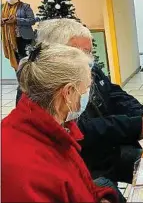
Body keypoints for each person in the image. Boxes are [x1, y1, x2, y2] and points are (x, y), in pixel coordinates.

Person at [16, 19, 143, 203]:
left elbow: (114, 93)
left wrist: (142, 114)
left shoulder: (85, 66)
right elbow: (78, 134)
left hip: (106, 149)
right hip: (88, 163)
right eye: (82, 52)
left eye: (89, 52)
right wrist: (133, 125)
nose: (88, 58)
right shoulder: (40, 91)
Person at [2, 43, 117, 202]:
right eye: (85, 90)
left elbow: (78, 185)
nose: (85, 97)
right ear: (68, 93)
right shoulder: (28, 168)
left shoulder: (52, 129)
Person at [1, 0, 36, 70]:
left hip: (23, 37)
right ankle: (20, 81)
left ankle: (26, 81)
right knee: (15, 61)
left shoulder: (25, 7)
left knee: (25, 60)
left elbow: (32, 20)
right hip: (9, 39)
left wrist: (17, 20)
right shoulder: (2, 7)